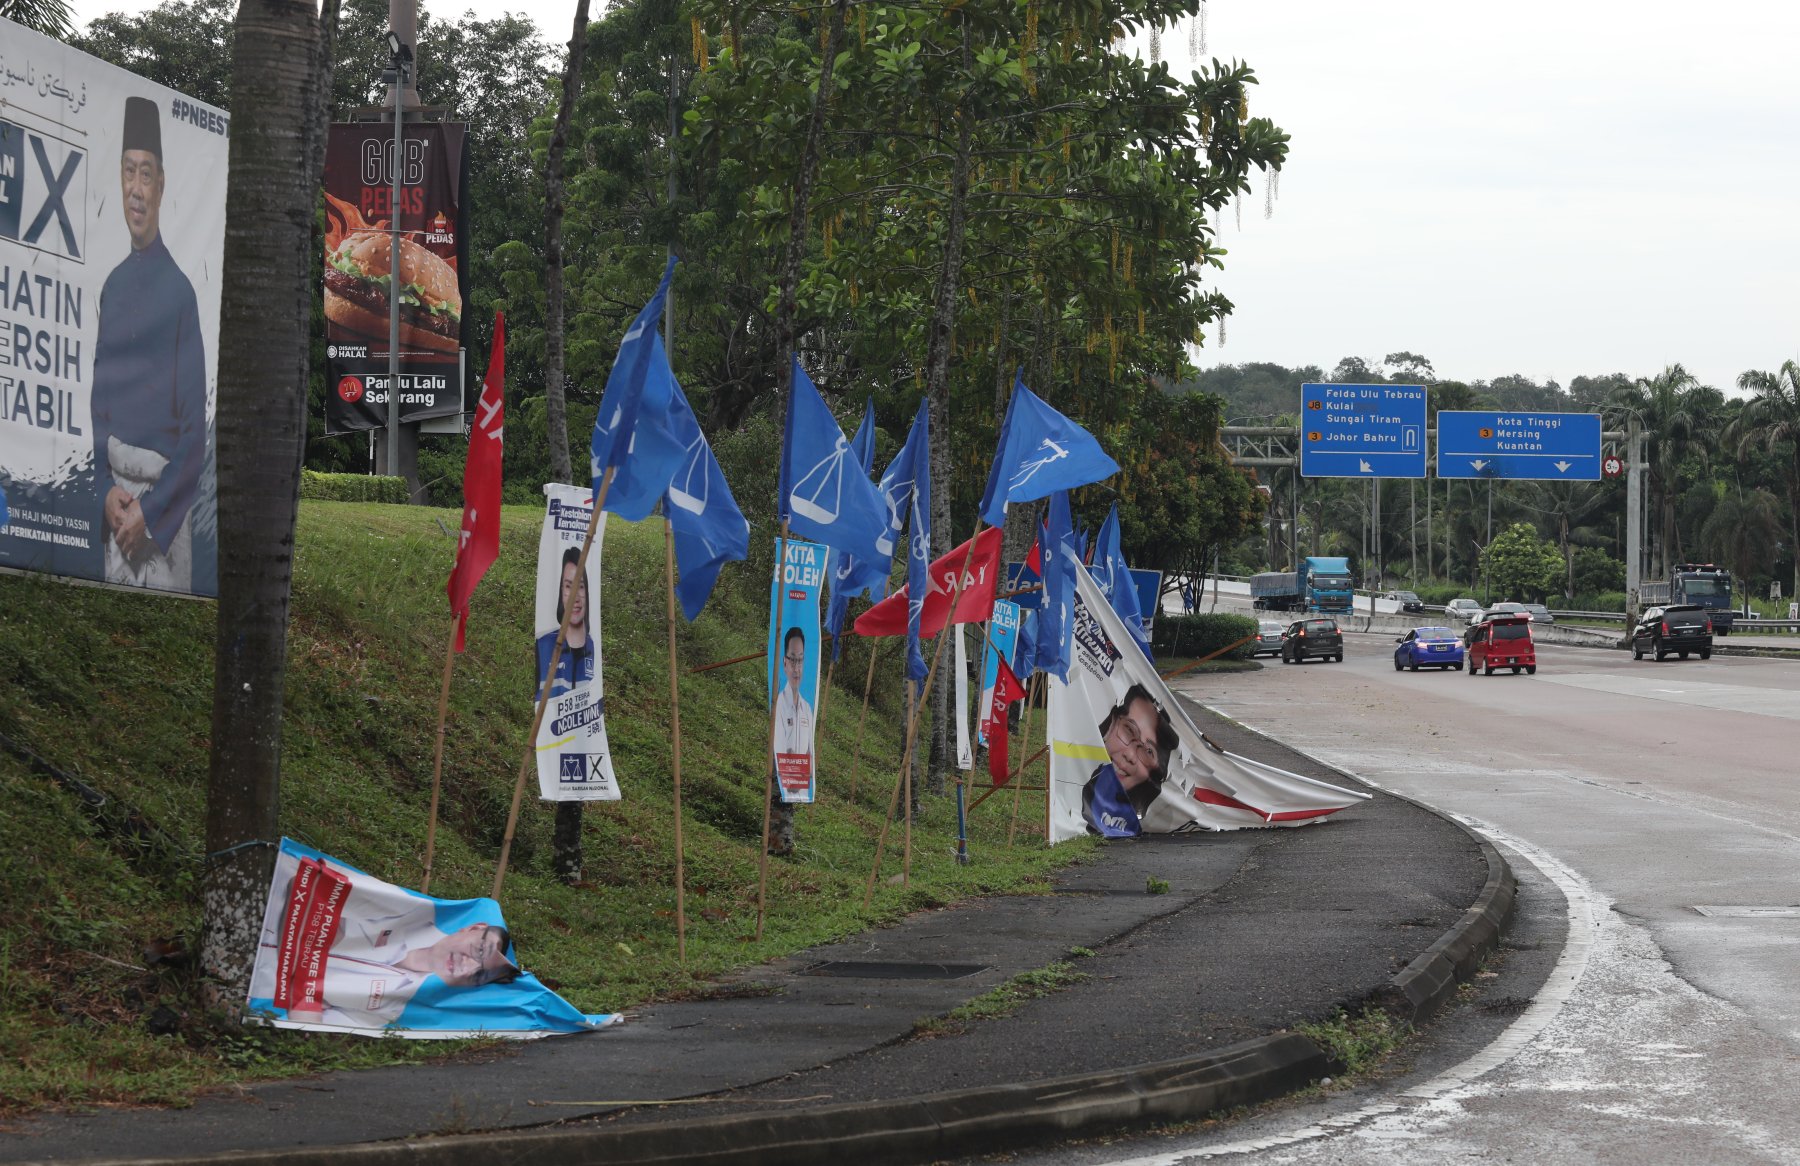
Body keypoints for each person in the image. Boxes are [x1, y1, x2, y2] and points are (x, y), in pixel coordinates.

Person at [90, 95, 208, 592]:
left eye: (146, 174)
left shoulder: (180, 293)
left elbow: (193, 440)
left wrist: (151, 515)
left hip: (160, 521)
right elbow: (99, 413)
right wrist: (105, 493)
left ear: (161, 184)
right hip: (116, 518)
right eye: (127, 172)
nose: (135, 189)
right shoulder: (112, 286)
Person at [251, 854, 520, 1029]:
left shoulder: (395, 1005)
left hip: (252, 984)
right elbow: (308, 881)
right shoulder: (403, 911)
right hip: (253, 919)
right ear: (474, 928)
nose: (468, 965)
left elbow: (308, 1023)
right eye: (479, 950)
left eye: (478, 974)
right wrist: (310, 979)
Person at [1081, 683, 1179, 838]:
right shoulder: (1068, 781)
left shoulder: (1158, 818)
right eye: (1129, 730)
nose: (1131, 756)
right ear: (1112, 721)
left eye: (1148, 752)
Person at [535, 547, 596, 698]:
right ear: (561, 591)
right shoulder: (543, 645)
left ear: (587, 592)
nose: (575, 597)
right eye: (569, 586)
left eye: (580, 587)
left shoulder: (592, 646)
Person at [773, 625, 815, 762]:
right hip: (783, 781)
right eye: (792, 659)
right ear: (785, 663)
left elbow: (810, 758)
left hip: (802, 782)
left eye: (800, 660)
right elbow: (781, 756)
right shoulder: (778, 704)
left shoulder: (807, 709)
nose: (796, 668)